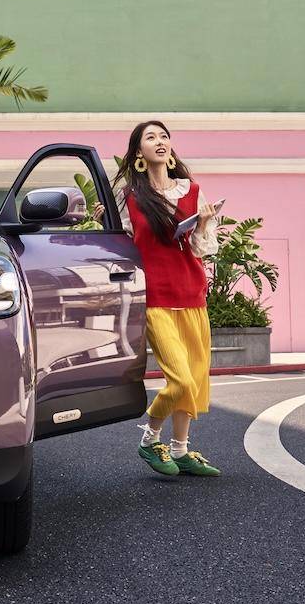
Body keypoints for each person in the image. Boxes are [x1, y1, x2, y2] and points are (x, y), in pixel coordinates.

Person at [93, 120, 222, 477]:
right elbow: (120, 248)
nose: (160, 141)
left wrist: (203, 224)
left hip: (192, 295)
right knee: (180, 380)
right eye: (151, 137)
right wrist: (105, 223)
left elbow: (203, 249)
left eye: (164, 136)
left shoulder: (192, 190)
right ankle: (149, 439)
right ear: (139, 152)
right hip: (155, 299)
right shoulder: (130, 198)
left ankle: (181, 449)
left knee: (193, 381)